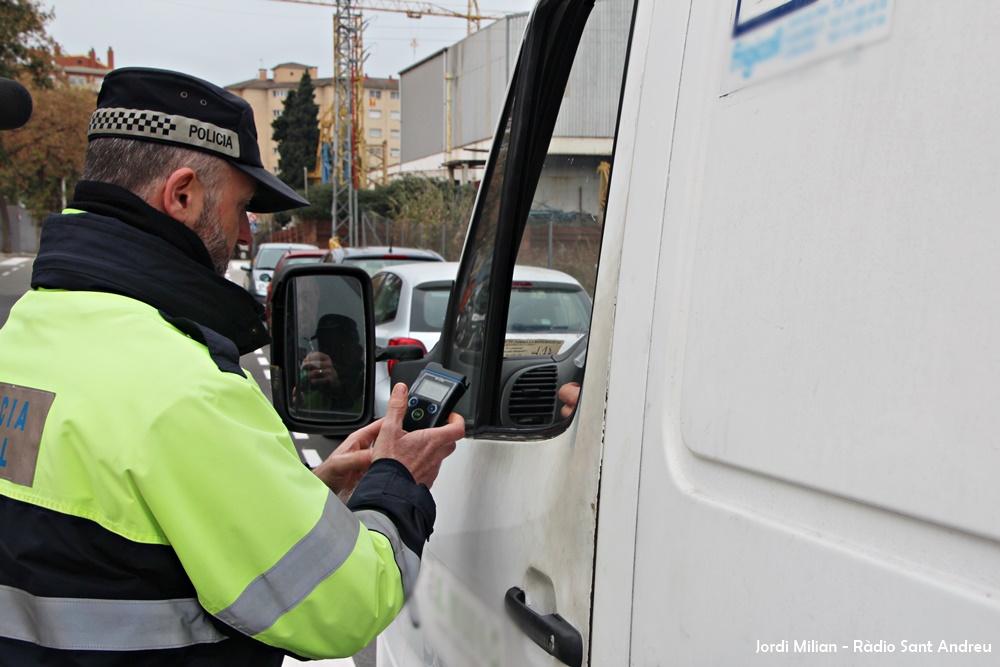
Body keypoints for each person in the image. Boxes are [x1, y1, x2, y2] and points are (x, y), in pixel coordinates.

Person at [0, 68, 463, 666]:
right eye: (242, 207)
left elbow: (104, 543)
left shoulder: (28, 331)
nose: (246, 233)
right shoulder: (184, 390)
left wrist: (295, 497)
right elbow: (346, 605)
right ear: (183, 193)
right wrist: (397, 482)